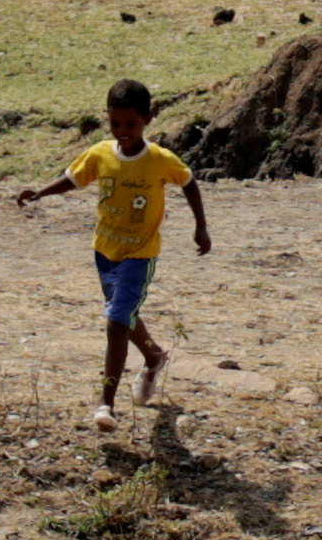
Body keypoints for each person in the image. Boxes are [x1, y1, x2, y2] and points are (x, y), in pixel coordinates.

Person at [18, 77, 206, 427]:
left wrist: (201, 227)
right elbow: (74, 179)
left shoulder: (159, 159)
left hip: (140, 254)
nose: (122, 132)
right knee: (123, 315)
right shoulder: (100, 154)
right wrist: (40, 192)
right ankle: (154, 357)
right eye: (115, 124)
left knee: (117, 322)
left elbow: (189, 183)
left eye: (130, 124)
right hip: (105, 252)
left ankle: (105, 404)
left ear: (148, 118)